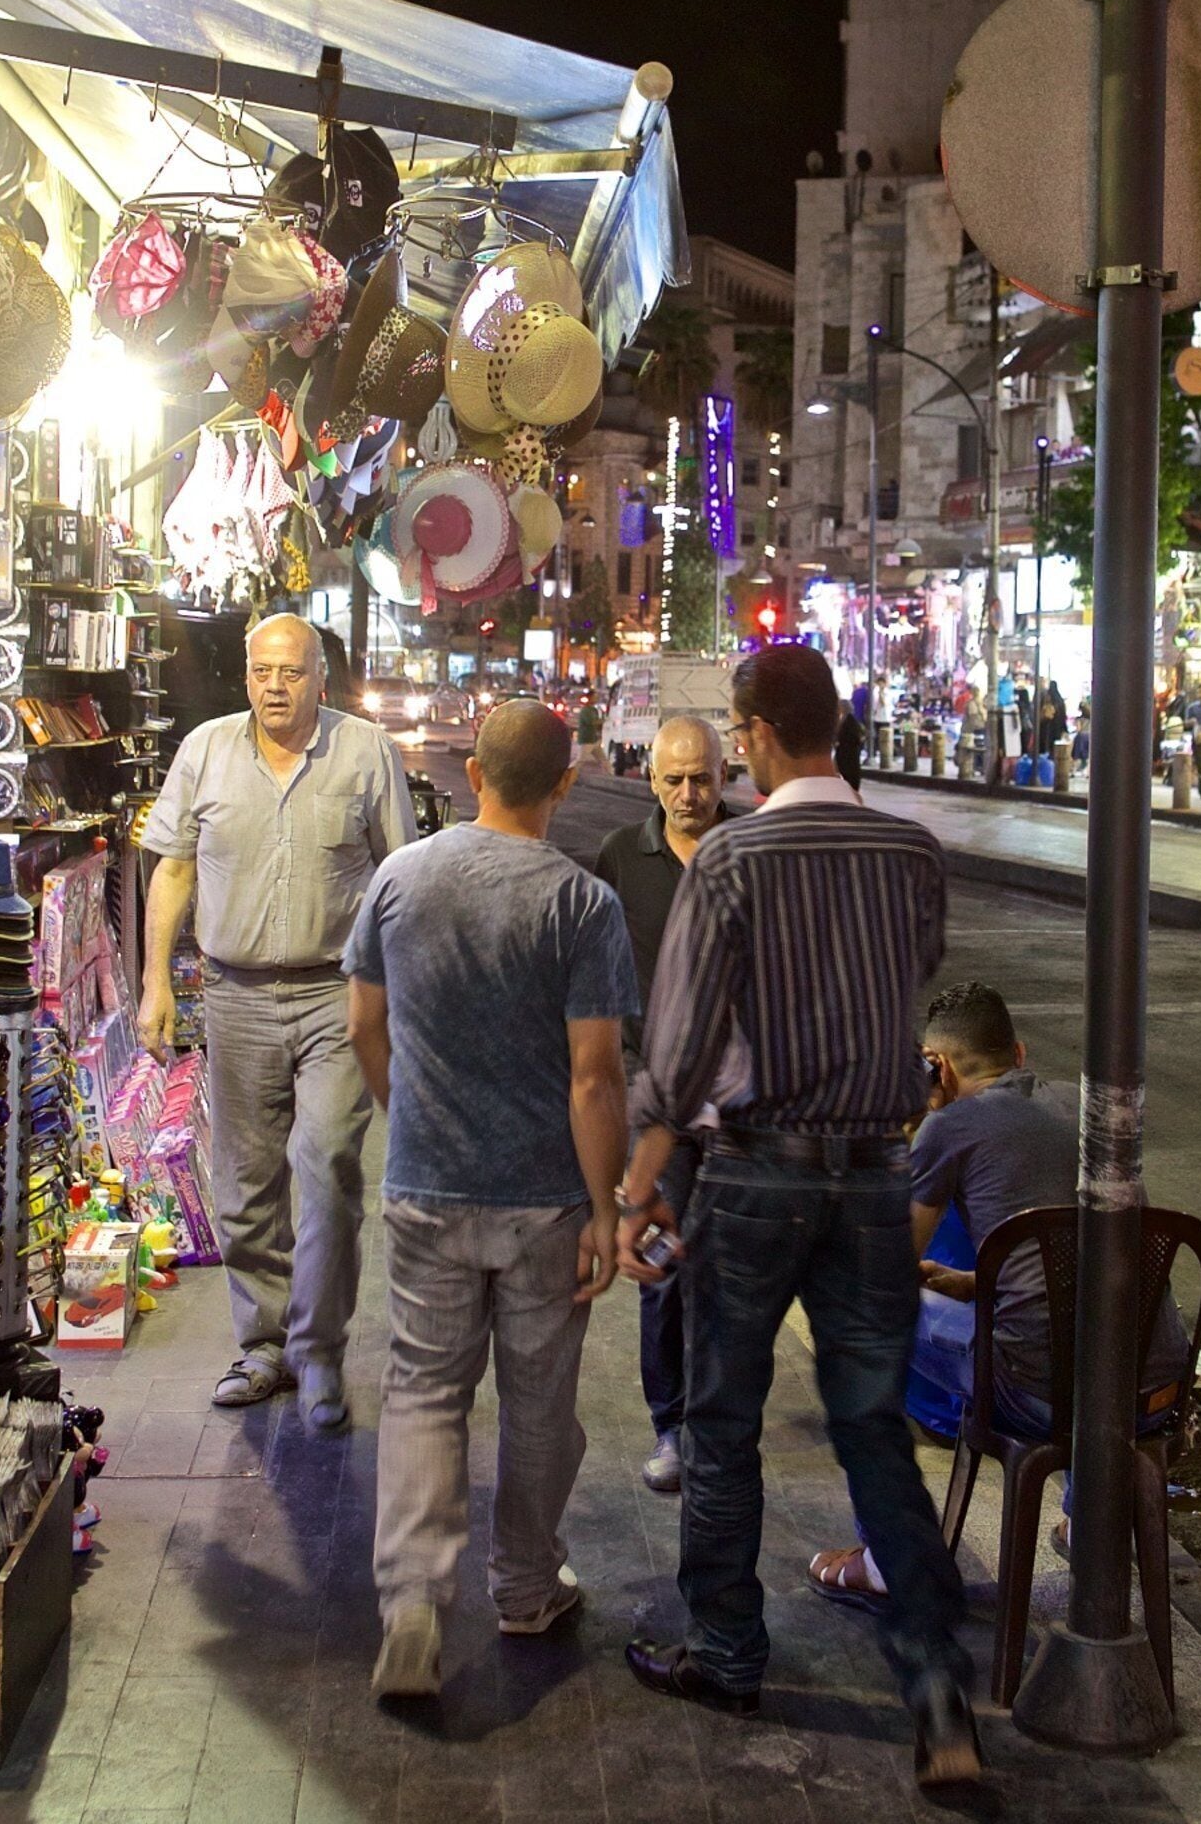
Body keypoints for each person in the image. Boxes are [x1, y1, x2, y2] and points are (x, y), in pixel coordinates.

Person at [615, 644, 984, 1787]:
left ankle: (728, 1651)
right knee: (874, 1430)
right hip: (877, 1176)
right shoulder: (912, 854)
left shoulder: (729, 858)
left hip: (758, 1170)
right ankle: (939, 1698)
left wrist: (639, 1181)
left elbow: (675, 1052)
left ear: (758, 737)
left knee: (722, 1423)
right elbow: (913, 972)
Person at [345, 701, 635, 1696]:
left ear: (475, 772)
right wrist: (608, 1208)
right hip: (544, 1199)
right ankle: (522, 1586)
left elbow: (363, 1024)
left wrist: (407, 1114)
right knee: (539, 1400)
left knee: (424, 1390)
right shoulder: (584, 904)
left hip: (427, 1185)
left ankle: (414, 1604)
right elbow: (595, 1076)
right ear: (565, 785)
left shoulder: (399, 879)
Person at [802, 983, 1199, 1611]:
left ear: (940, 1065)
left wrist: (912, 1121)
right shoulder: (1084, 1102)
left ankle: (888, 1562)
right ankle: (1088, 1520)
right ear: (1018, 1051)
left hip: (1039, 1394)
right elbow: (1083, 1254)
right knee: (1072, 1332)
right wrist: (971, 1283)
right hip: (1155, 1391)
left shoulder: (948, 1126)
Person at [138, 614, 413, 1433]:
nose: (274, 687)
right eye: (262, 672)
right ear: (246, 677)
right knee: (246, 1180)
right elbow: (174, 868)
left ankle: (318, 1349)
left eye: (291, 672)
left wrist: (403, 999)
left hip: (338, 996)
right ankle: (263, 1346)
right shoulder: (206, 751)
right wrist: (157, 980)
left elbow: (400, 878)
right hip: (234, 994)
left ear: (320, 679)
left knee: (328, 1163)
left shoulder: (365, 752)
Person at [593, 715, 731, 1495]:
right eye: (674, 779)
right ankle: (670, 1424)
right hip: (657, 1099)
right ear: (651, 779)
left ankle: (720, 1419)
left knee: (734, 1268)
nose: (688, 793)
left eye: (702, 778)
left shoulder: (746, 852)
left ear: (724, 775)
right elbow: (596, 973)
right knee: (666, 1267)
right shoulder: (620, 857)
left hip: (738, 1099)